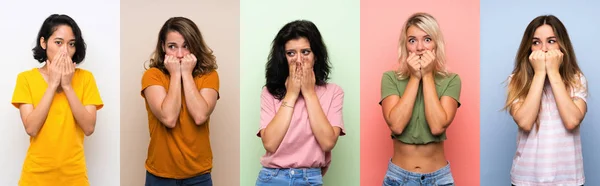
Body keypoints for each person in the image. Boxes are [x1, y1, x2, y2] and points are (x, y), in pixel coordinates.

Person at [11, 14, 103, 186]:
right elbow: (31, 128)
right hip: (35, 177)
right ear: (44, 43)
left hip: (75, 176)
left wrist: (67, 86)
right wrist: (53, 85)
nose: (65, 50)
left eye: (71, 44)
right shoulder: (25, 79)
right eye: (58, 42)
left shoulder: (86, 78)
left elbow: (89, 127)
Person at [255, 20, 345, 186]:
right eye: (291, 53)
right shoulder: (269, 92)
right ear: (283, 57)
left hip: (310, 178)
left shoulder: (334, 92)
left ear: (315, 56)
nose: (298, 60)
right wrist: (292, 93)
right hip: (271, 177)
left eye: (305, 52)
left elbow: (327, 143)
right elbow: (270, 143)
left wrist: (309, 92)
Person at [380, 12, 461, 186]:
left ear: (436, 44)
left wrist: (428, 75)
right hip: (398, 178)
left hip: (439, 179)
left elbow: (437, 126)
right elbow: (397, 125)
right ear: (405, 46)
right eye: (412, 40)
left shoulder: (451, 80)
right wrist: (415, 78)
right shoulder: (390, 78)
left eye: (427, 39)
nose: (419, 48)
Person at [505, 15, 587, 186]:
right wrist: (540, 73)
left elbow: (572, 121)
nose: (543, 49)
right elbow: (525, 122)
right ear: (529, 48)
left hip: (569, 180)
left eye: (551, 41)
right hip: (525, 179)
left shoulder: (576, 80)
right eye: (536, 42)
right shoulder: (516, 80)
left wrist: (554, 73)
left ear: (561, 45)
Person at [141, 17, 219, 186]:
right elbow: (169, 118)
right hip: (160, 175)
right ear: (163, 47)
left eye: (186, 46)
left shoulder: (209, 76)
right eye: (172, 47)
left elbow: (200, 115)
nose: (180, 54)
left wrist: (186, 74)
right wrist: (176, 74)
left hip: (199, 175)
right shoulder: (153, 76)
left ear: (195, 46)